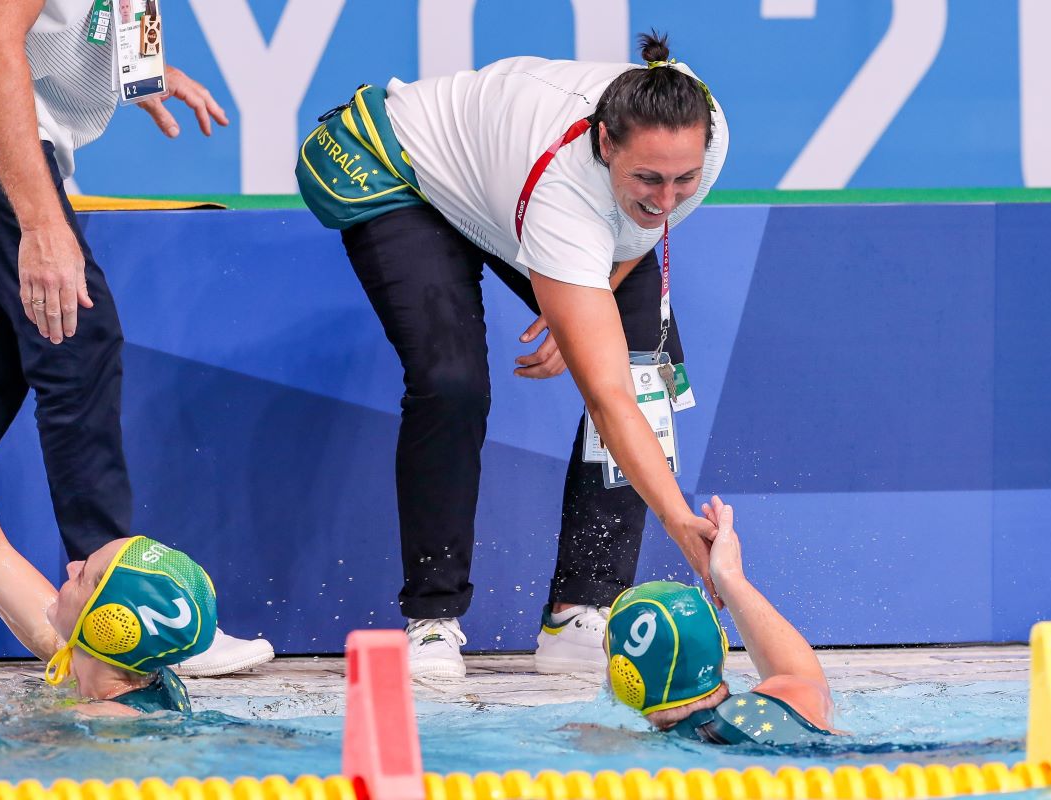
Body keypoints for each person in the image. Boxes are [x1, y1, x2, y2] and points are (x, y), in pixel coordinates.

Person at [296, 32, 729, 679]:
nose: (668, 198)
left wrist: (587, 301)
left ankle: (582, 608)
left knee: (647, 368)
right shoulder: (562, 188)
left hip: (509, 187)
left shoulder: (702, 135)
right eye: (648, 178)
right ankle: (433, 619)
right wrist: (679, 520)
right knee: (452, 381)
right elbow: (609, 398)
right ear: (607, 144)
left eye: (682, 180)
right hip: (398, 167)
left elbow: (645, 224)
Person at [0, 1, 272, 676]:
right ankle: (125, 607)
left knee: (22, 345)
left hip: (29, 139)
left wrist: (143, 74)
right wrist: (40, 222)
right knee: (74, 332)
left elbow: (111, 9)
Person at [605, 496, 838, 742]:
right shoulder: (791, 703)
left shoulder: (627, 749)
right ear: (721, 647)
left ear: (626, 677)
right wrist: (729, 576)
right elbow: (799, 674)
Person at [0, 497, 217, 715]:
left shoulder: (106, 722)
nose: (71, 567)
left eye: (81, 575)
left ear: (107, 626)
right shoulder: (105, 664)